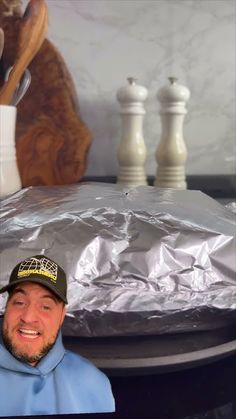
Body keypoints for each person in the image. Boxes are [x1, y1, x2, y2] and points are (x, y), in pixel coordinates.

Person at [0, 254, 115, 416]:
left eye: (45, 306)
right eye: (19, 302)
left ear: (62, 316)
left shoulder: (92, 382)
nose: (28, 317)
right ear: (7, 307)